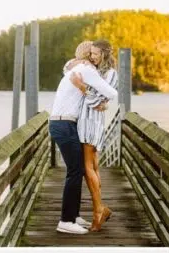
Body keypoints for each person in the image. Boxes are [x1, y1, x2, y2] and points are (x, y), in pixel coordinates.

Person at [48, 42, 118, 236]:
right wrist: (99, 98)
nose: (94, 58)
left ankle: (74, 215)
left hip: (63, 123)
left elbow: (68, 67)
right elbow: (112, 93)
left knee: (77, 170)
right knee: (75, 171)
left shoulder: (77, 67)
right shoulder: (86, 70)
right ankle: (66, 221)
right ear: (88, 56)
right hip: (64, 124)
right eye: (92, 54)